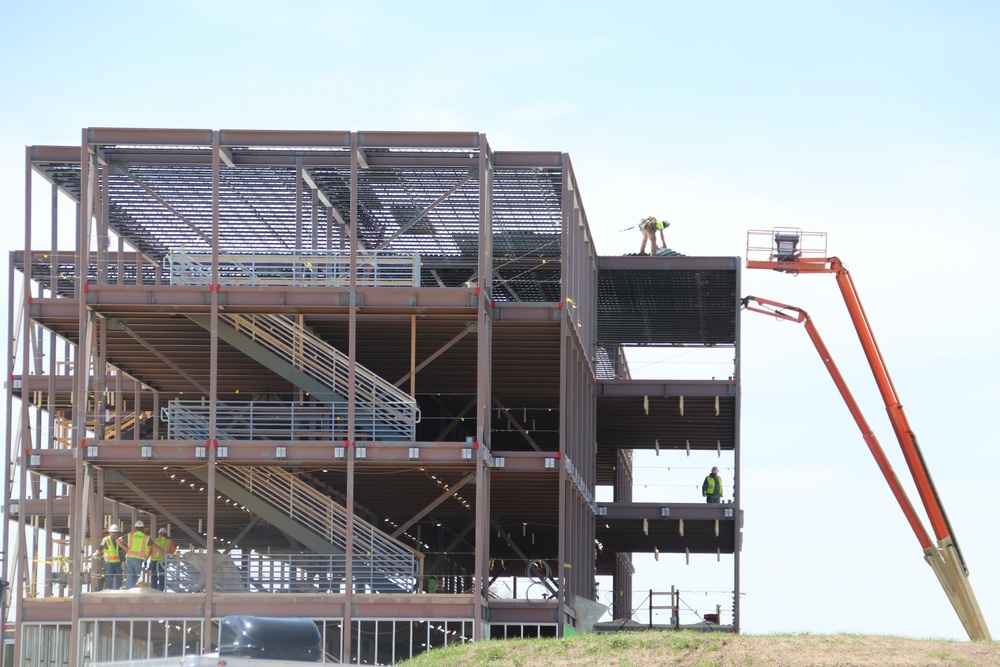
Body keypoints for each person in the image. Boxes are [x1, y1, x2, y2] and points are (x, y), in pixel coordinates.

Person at [120, 520, 156, 588]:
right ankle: (130, 588)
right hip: (138, 559)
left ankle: (129, 588)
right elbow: (155, 547)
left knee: (130, 575)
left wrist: (125, 548)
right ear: (143, 528)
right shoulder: (146, 537)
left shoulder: (130, 535)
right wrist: (164, 551)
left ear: (135, 528)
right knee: (137, 575)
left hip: (129, 557)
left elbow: (118, 540)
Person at [93, 523, 123, 590]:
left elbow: (120, 551)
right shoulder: (106, 539)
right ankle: (109, 590)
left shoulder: (118, 540)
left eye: (115, 532)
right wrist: (96, 553)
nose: (114, 533)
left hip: (117, 562)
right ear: (109, 532)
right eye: (113, 532)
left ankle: (118, 591)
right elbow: (100, 547)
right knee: (109, 578)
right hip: (109, 562)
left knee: (119, 578)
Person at [150, 526, 177, 592]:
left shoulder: (154, 541)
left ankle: (153, 590)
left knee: (153, 575)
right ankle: (160, 590)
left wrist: (145, 560)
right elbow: (174, 551)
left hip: (153, 560)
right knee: (162, 576)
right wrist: (176, 557)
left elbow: (149, 551)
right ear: (166, 534)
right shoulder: (168, 541)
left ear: (158, 533)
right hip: (162, 561)